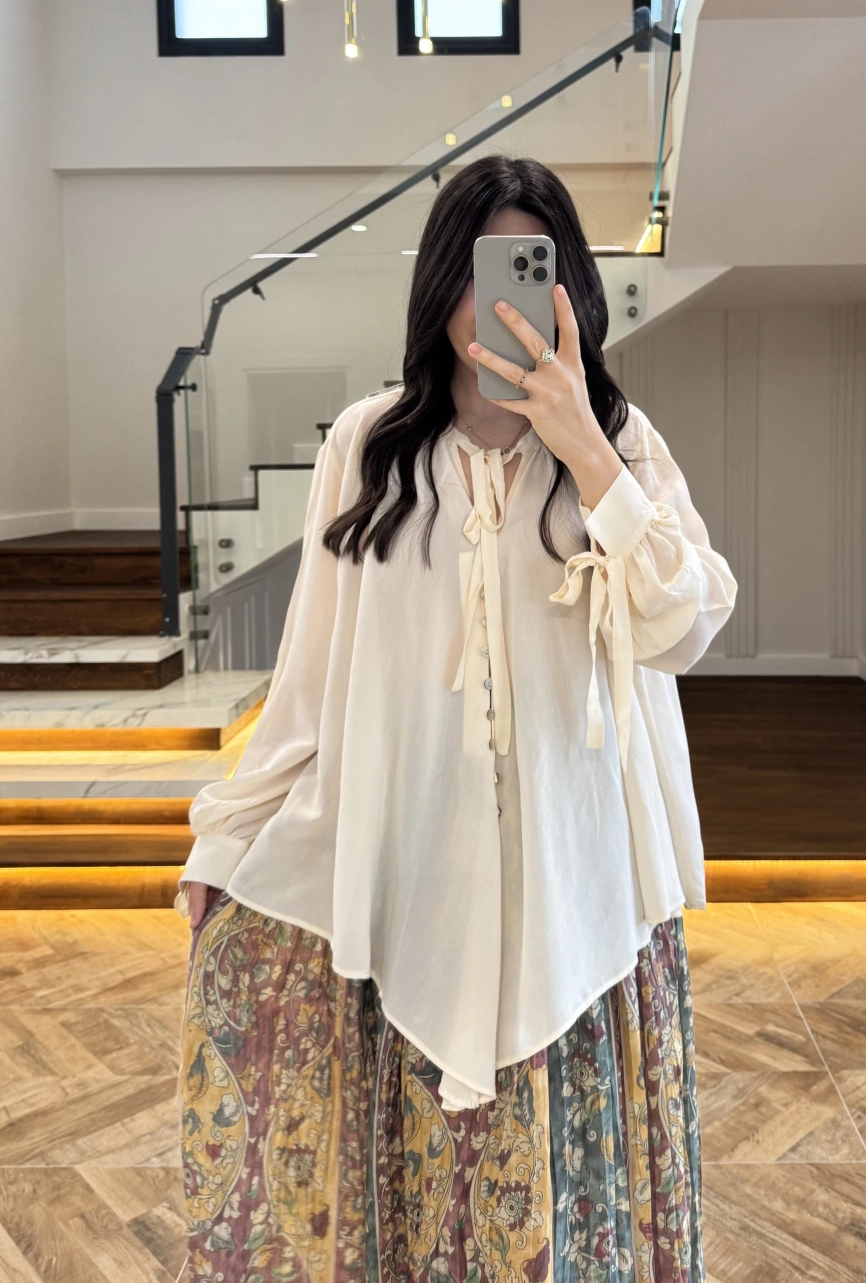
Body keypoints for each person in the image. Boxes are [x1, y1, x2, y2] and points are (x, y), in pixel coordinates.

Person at [175, 155, 737, 1283]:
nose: (500, 306)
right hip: (416, 876)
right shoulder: (368, 446)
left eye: (528, 272)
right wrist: (226, 838)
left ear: (568, 290)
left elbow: (687, 624)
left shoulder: (619, 442)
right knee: (418, 1205)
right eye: (482, 274)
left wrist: (585, 450)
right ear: (441, 286)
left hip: (577, 898)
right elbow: (310, 676)